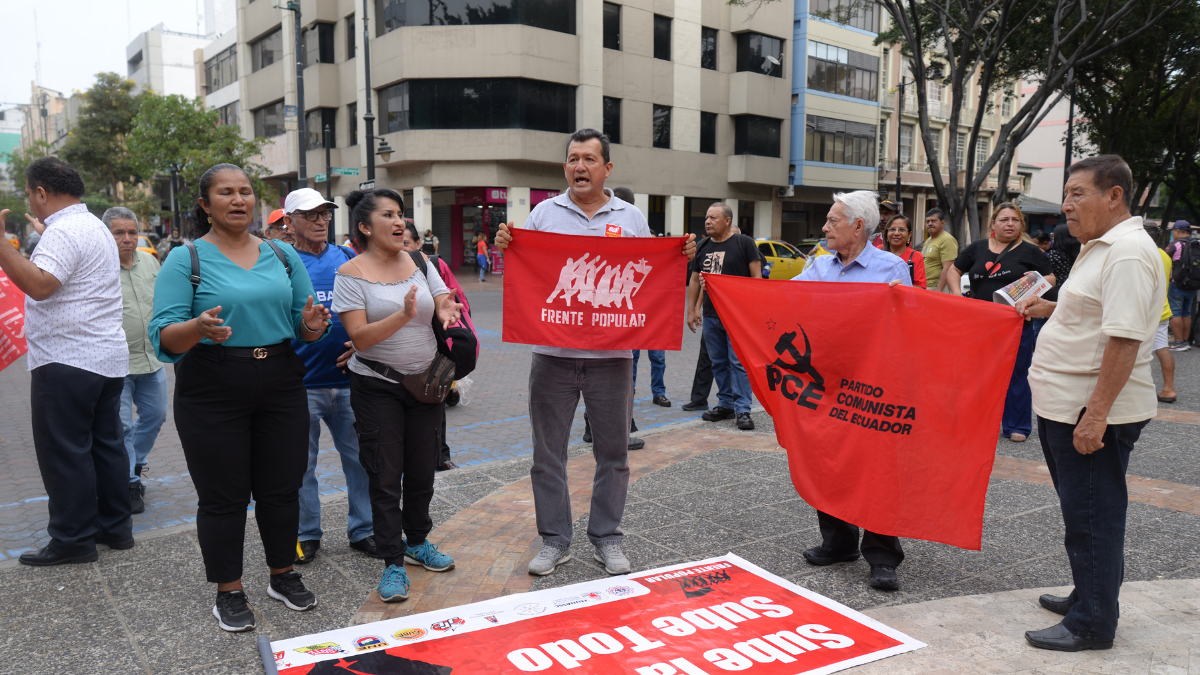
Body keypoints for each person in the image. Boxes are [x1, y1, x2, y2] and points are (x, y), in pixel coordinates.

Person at [492, 128, 695, 577]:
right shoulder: (544, 213)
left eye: (588, 158)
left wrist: (678, 255)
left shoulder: (632, 217)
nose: (579, 166)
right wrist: (508, 247)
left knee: (614, 453)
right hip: (552, 355)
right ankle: (554, 540)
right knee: (548, 454)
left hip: (614, 359)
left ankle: (607, 537)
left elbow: (649, 277)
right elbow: (528, 271)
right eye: (572, 158)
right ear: (565, 166)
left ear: (607, 168)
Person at [150, 163, 331, 632]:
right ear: (205, 205)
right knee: (223, 496)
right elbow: (164, 339)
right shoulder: (184, 260)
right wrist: (197, 328)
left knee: (281, 487)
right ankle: (228, 590)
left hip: (280, 378)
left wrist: (312, 327)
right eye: (225, 192)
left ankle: (282, 574)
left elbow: (303, 323)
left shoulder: (282, 255)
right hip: (211, 382)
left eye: (245, 192)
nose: (238, 200)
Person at [1016, 154, 1165, 652]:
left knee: (1093, 518)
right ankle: (1090, 594)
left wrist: (1095, 416)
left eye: (1078, 193)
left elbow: (1123, 340)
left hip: (1089, 412)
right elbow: (1097, 315)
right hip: (1067, 405)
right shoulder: (1100, 247)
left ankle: (1093, 622)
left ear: (1114, 196)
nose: (1066, 206)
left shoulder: (1124, 252)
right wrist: (1051, 307)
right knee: (1084, 512)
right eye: (1066, 195)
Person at [0, 157, 133, 566]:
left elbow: (39, 286)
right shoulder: (92, 225)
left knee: (65, 451)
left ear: (42, 192)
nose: (31, 202)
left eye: (30, 194)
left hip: (67, 358)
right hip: (105, 358)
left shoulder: (64, 232)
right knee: (105, 446)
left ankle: (73, 539)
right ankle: (116, 528)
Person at [333, 188, 464, 604]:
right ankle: (392, 562)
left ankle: (417, 542)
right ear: (365, 226)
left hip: (425, 383)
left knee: (423, 469)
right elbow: (360, 338)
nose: (399, 222)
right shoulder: (350, 274)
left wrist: (444, 309)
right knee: (386, 475)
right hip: (377, 387)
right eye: (388, 215)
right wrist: (403, 315)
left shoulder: (419, 260)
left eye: (401, 214)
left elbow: (441, 295)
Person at [791, 190, 912, 591]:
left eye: (832, 221)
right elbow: (782, 298)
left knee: (877, 468)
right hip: (826, 383)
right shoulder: (819, 266)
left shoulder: (891, 268)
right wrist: (726, 286)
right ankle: (838, 542)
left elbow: (909, 326)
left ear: (858, 227)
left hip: (874, 387)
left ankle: (882, 555)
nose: (824, 227)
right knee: (829, 461)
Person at [279, 188, 378, 565]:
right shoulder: (280, 262)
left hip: (351, 381)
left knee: (361, 460)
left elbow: (370, 305)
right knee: (300, 467)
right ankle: (307, 533)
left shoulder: (349, 256)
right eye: (311, 215)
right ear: (289, 222)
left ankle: (365, 529)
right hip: (300, 385)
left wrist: (363, 342)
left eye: (325, 214)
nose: (321, 222)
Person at [947, 203, 1055, 443]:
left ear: (1021, 225)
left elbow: (1051, 277)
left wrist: (1036, 282)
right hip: (978, 319)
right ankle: (973, 420)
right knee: (975, 372)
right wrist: (956, 295)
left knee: (1017, 372)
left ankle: (1017, 425)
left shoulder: (1029, 250)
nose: (1010, 224)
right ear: (993, 224)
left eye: (1015, 220)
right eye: (1004, 219)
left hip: (1014, 321)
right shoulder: (976, 247)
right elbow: (954, 271)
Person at [105, 207, 168, 516]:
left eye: (131, 232)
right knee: (122, 425)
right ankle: (129, 483)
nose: (127, 238)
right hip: (116, 361)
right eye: (119, 233)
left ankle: (135, 461)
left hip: (151, 357)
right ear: (107, 234)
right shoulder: (99, 266)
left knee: (156, 416)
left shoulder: (151, 262)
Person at [401, 220, 471, 471]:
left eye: (407, 244)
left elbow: (457, 300)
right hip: (393, 360)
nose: (402, 249)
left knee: (433, 404)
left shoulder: (433, 265)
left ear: (419, 245)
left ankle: (441, 455)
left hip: (433, 350)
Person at [686, 203, 760, 431]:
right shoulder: (703, 246)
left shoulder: (744, 243)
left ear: (727, 220)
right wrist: (692, 310)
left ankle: (743, 410)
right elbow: (695, 280)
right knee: (718, 363)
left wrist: (752, 310)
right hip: (711, 315)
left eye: (713, 218)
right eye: (706, 217)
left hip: (737, 316)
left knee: (737, 363)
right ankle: (725, 404)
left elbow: (757, 277)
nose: (707, 221)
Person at [610, 186, 670, 410]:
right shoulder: (617, 237)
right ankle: (630, 395)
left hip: (650, 310)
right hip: (633, 309)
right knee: (631, 358)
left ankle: (656, 393)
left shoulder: (641, 232)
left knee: (655, 357)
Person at [1145, 221, 1176, 403]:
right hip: (1162, 309)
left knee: (1132, 350)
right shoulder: (1165, 255)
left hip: (1146, 311)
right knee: (1162, 348)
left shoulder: (1144, 254)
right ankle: (1169, 389)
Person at [1165, 220, 1198, 351]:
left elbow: (1164, 259)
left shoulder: (1175, 245)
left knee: (1175, 312)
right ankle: (1185, 341)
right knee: (1187, 312)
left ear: (1178, 231)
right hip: (1194, 284)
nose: (1173, 234)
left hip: (1177, 283)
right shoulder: (1196, 244)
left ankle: (1178, 342)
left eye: (1173, 231)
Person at [874, 214, 926, 286]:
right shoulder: (878, 251)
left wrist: (903, 289)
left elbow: (920, 288)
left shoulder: (916, 256)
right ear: (886, 233)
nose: (896, 233)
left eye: (902, 229)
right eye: (892, 229)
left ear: (909, 234)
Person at [922, 208, 959, 291]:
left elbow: (948, 268)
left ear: (943, 223)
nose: (930, 224)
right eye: (927, 221)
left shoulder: (947, 240)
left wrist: (938, 290)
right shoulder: (928, 240)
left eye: (933, 221)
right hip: (925, 286)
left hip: (937, 288)